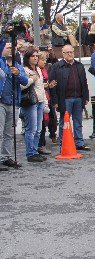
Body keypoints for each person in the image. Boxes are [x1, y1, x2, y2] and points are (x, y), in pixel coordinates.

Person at [48, 45, 90, 152]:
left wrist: (85, 97)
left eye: (71, 52)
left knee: (78, 122)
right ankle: (63, 142)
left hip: (78, 98)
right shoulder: (56, 66)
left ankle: (79, 143)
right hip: (64, 99)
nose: (70, 54)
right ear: (63, 54)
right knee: (64, 122)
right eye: (67, 52)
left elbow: (84, 83)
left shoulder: (79, 66)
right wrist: (55, 101)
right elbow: (52, 85)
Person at [0, 39, 29, 169]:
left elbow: (24, 81)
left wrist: (17, 74)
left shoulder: (18, 65)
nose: (10, 49)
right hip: (1, 101)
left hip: (13, 102)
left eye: (12, 47)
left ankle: (6, 157)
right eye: (7, 47)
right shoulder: (1, 63)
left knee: (9, 133)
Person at [20, 48, 47, 162]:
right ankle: (30, 153)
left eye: (37, 56)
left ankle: (35, 151)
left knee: (38, 129)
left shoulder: (38, 69)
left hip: (40, 101)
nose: (35, 58)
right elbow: (22, 86)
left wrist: (45, 102)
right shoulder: (24, 69)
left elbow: (41, 87)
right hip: (30, 101)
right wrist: (31, 79)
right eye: (33, 56)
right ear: (28, 58)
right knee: (31, 128)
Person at [36, 51, 55, 155]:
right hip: (39, 99)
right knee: (40, 124)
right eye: (42, 60)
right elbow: (37, 85)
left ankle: (42, 144)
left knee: (45, 122)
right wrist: (45, 85)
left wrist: (48, 85)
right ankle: (39, 146)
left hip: (46, 97)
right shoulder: (36, 70)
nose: (44, 62)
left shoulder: (44, 69)